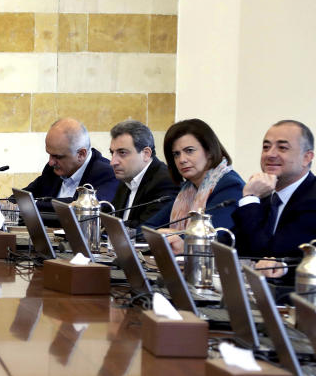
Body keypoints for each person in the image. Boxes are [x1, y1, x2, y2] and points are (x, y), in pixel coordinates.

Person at [232, 120, 316, 279]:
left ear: (307, 157)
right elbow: (236, 244)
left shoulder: (312, 200)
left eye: (282, 147)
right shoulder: (269, 196)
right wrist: (189, 245)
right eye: (266, 147)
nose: (270, 154)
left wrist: (250, 199)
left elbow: (267, 256)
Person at [145, 119, 245, 253]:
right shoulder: (188, 190)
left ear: (209, 151)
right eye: (176, 154)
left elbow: (207, 237)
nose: (182, 160)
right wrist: (164, 234)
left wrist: (168, 234)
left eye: (189, 151)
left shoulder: (230, 185)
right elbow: (148, 228)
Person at [24, 117, 118, 203]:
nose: (51, 162)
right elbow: (21, 198)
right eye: (49, 154)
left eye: (58, 156)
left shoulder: (107, 174)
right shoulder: (51, 170)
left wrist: (35, 204)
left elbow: (80, 207)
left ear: (81, 154)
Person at [108, 120, 178, 228]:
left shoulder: (165, 181)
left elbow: (146, 229)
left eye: (122, 153)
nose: (113, 162)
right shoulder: (127, 178)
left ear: (146, 154)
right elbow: (108, 216)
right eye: (112, 153)